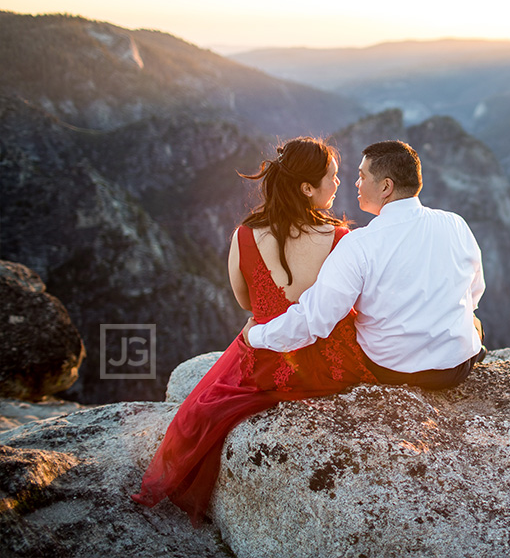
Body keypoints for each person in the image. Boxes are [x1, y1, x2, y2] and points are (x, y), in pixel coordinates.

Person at [132, 137, 376, 526]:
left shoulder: (245, 236)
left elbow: (246, 302)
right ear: (307, 188)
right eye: (332, 176)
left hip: (268, 359)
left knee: (199, 410)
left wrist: (275, 309)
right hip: (336, 365)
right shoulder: (342, 240)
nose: (339, 184)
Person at [244, 139, 486, 390]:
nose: (356, 184)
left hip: (392, 370)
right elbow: (474, 289)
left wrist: (256, 336)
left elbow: (313, 320)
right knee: (474, 322)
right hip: (456, 367)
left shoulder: (358, 245)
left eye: (362, 176)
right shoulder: (455, 224)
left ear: (386, 187)